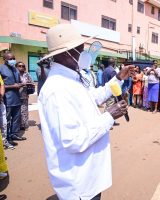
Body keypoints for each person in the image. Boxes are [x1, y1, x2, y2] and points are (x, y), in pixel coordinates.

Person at [37, 24, 135, 200]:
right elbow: (73, 140)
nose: (85, 55)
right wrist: (109, 116)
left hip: (89, 176)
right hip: (79, 183)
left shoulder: (71, 78)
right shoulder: (57, 89)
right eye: (80, 50)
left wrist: (119, 78)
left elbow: (94, 98)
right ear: (65, 54)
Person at [0, 52, 26, 147]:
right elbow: (1, 85)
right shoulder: (1, 68)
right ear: (5, 60)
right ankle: (6, 138)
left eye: (13, 58)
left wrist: (21, 84)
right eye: (10, 59)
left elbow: (17, 82)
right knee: (6, 119)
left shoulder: (15, 69)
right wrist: (13, 86)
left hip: (16, 98)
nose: (13, 60)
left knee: (16, 118)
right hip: (7, 98)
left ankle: (14, 134)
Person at [16, 62, 34, 130]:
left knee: (24, 111)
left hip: (24, 95)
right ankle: (17, 126)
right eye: (19, 66)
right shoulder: (14, 74)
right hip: (15, 96)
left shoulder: (27, 74)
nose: (21, 67)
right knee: (17, 112)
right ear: (16, 67)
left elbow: (31, 82)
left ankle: (24, 125)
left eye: (23, 66)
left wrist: (28, 84)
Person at [0, 75, 10, 150]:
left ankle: (4, 142)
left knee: (4, 123)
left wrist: (1, 96)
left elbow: (2, 85)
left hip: (0, 102)